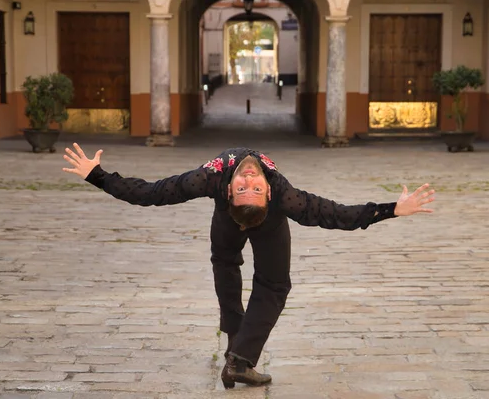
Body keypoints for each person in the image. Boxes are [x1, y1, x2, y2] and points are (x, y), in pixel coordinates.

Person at [62, 144, 435, 389]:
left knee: (273, 284)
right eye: (245, 185)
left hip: (267, 222)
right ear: (228, 193)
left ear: (269, 194)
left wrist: (392, 210)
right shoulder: (210, 181)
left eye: (253, 185)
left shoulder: (282, 197)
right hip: (229, 219)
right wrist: (97, 175)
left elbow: (336, 215)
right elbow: (152, 194)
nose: (250, 179)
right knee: (226, 263)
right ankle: (236, 344)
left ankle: (240, 358)